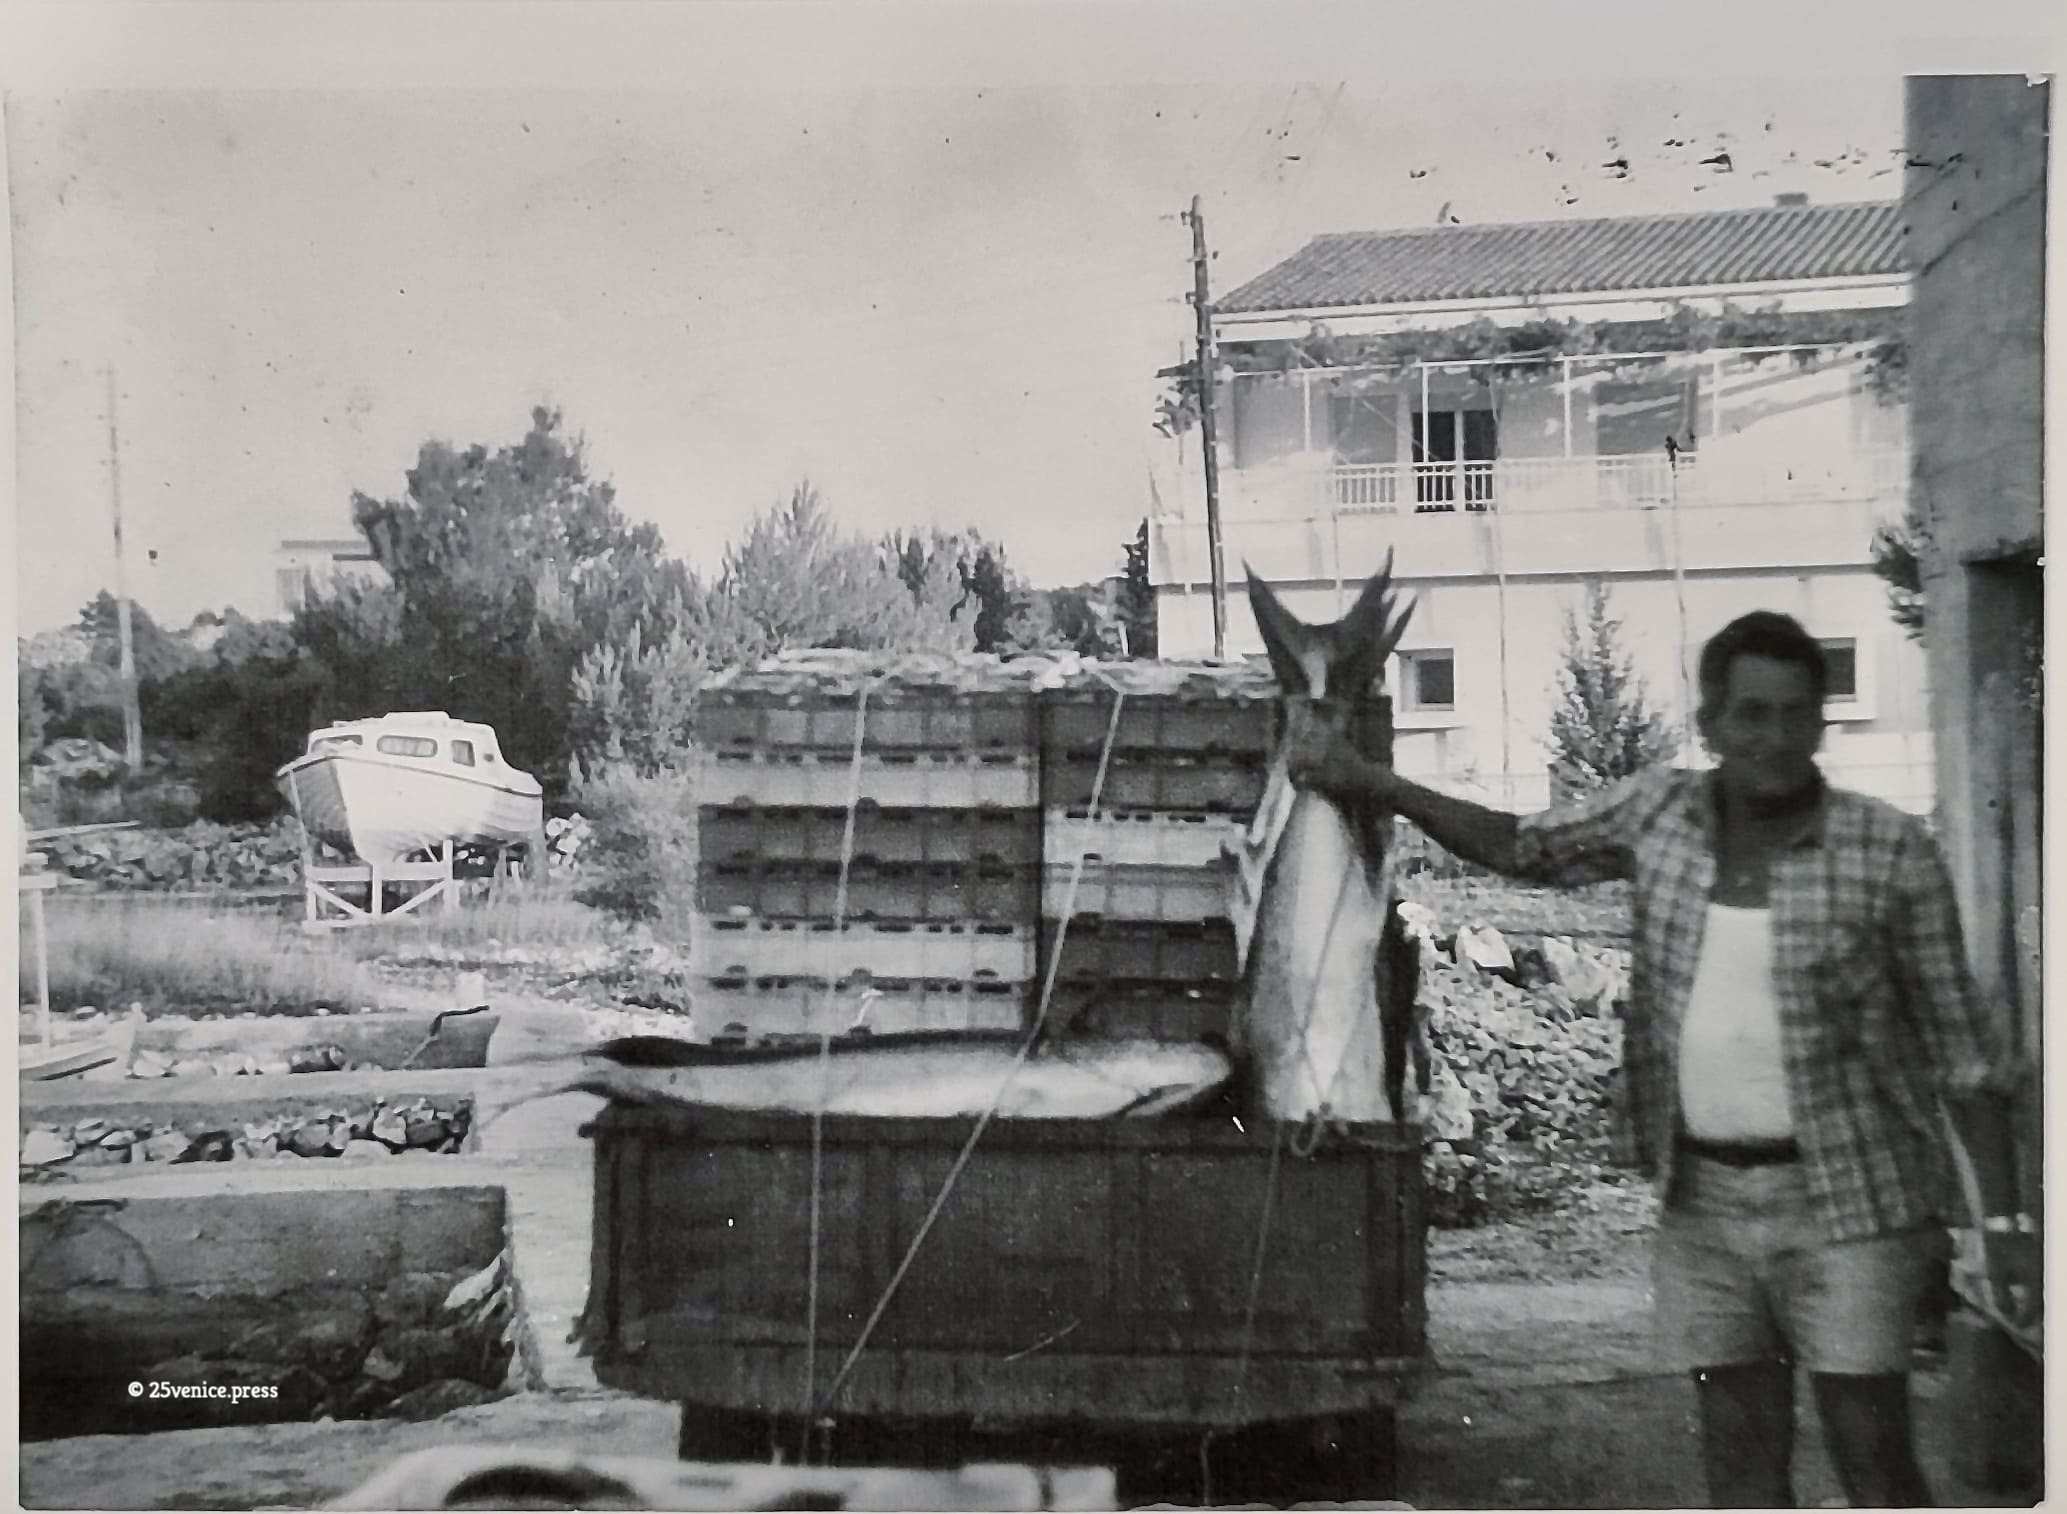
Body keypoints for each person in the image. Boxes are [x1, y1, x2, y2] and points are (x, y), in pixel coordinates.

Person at [1286, 609, 2035, 1507]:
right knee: (1738, 1462)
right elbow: (1518, 844)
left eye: (1795, 714)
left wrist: (2004, 1228)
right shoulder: (1657, 811)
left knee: (1870, 1454)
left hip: (1854, 1201)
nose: (1773, 738)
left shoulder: (1889, 849)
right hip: (1702, 1202)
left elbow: (1964, 1054)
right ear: (1709, 723)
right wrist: (1368, 781)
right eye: (1750, 714)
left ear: (1819, 723)